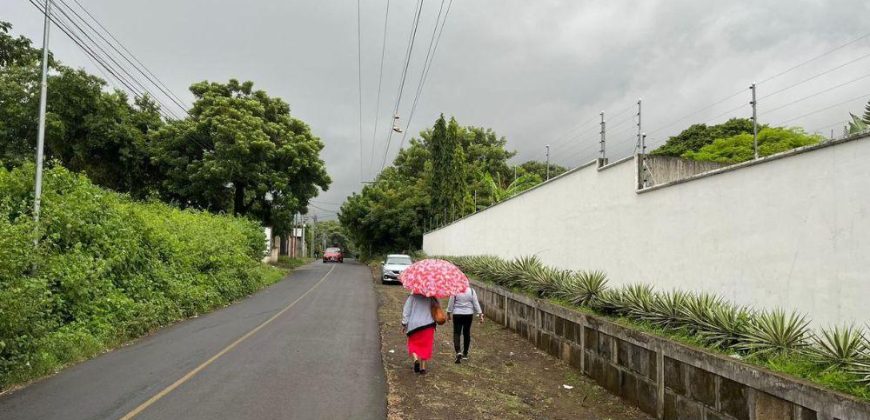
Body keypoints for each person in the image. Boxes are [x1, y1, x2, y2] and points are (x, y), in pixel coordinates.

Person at [402, 293, 438, 374]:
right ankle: (423, 368)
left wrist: (404, 323)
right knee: (426, 345)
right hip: (428, 325)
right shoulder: (432, 297)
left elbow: (406, 311)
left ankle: (416, 359)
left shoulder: (412, 297)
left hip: (414, 325)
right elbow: (435, 311)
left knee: (412, 343)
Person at [447, 286, 483, 364]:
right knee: (466, 333)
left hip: (457, 314)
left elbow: (451, 302)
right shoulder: (472, 291)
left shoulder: (455, 290)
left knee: (457, 333)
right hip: (468, 314)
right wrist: (480, 313)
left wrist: (448, 313)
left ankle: (458, 352)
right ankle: (465, 354)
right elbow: (475, 302)